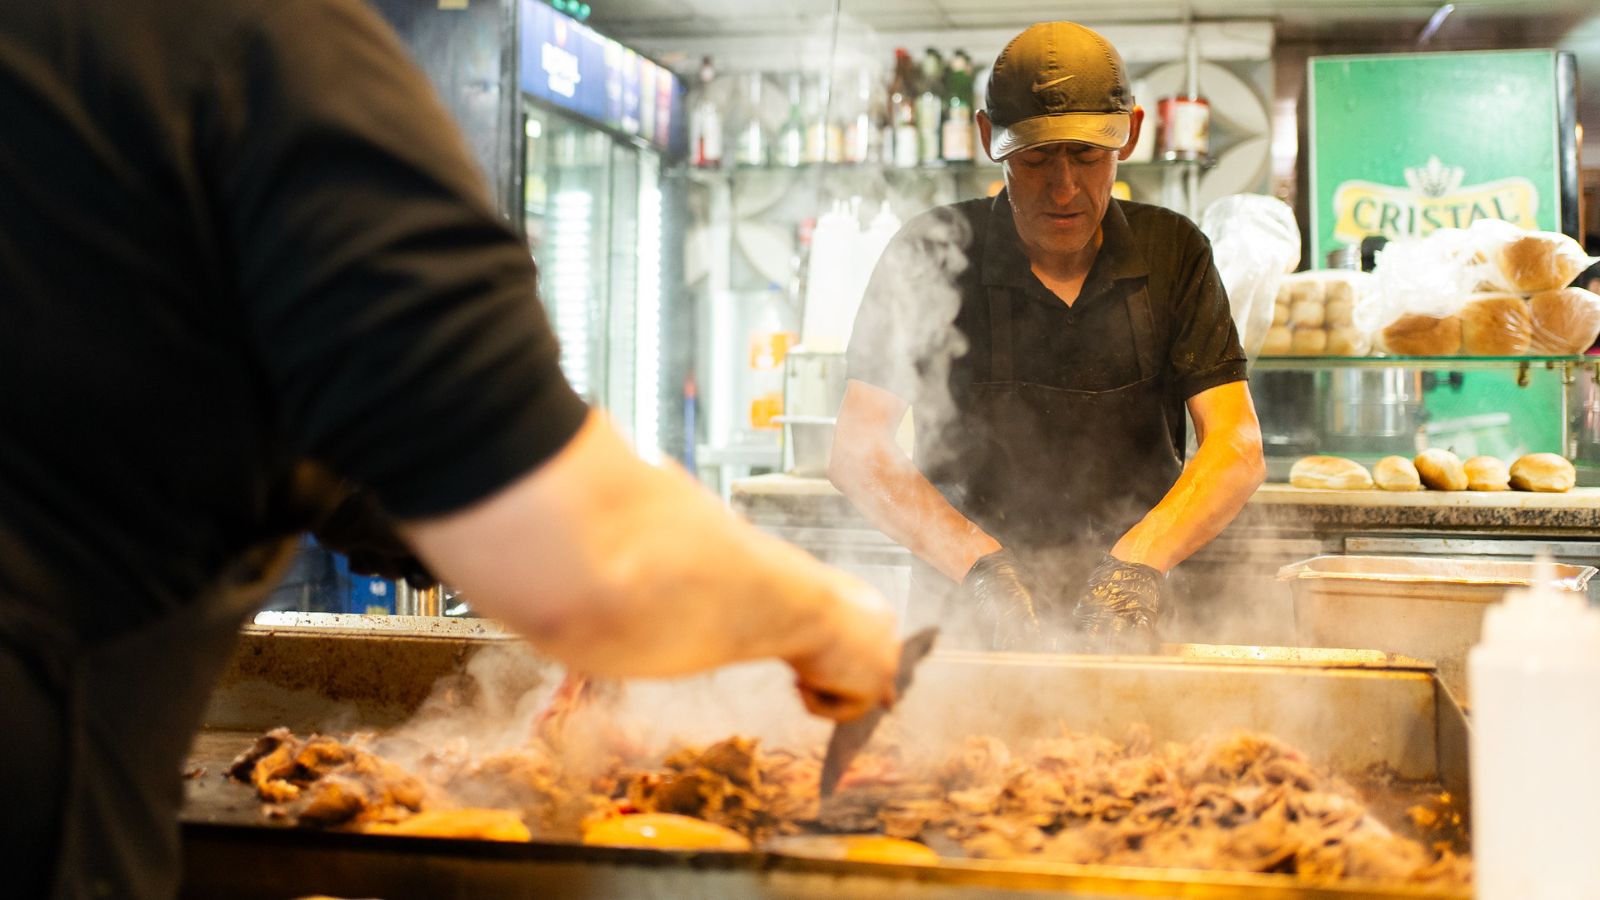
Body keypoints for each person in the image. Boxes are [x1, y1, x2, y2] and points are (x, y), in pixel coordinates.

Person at [0, 2, 898, 897]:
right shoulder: (265, 45)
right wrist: (832, 621)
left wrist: (492, 496)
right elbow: (595, 562)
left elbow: (297, 410)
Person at [830, 21, 1266, 653]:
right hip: (965, 632)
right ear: (988, 139)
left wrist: (1136, 566)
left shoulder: (1174, 252)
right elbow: (858, 449)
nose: (1063, 188)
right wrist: (982, 569)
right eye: (1034, 158)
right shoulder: (930, 254)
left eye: (1088, 156)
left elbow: (1237, 445)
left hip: (1135, 625)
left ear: (1132, 133)